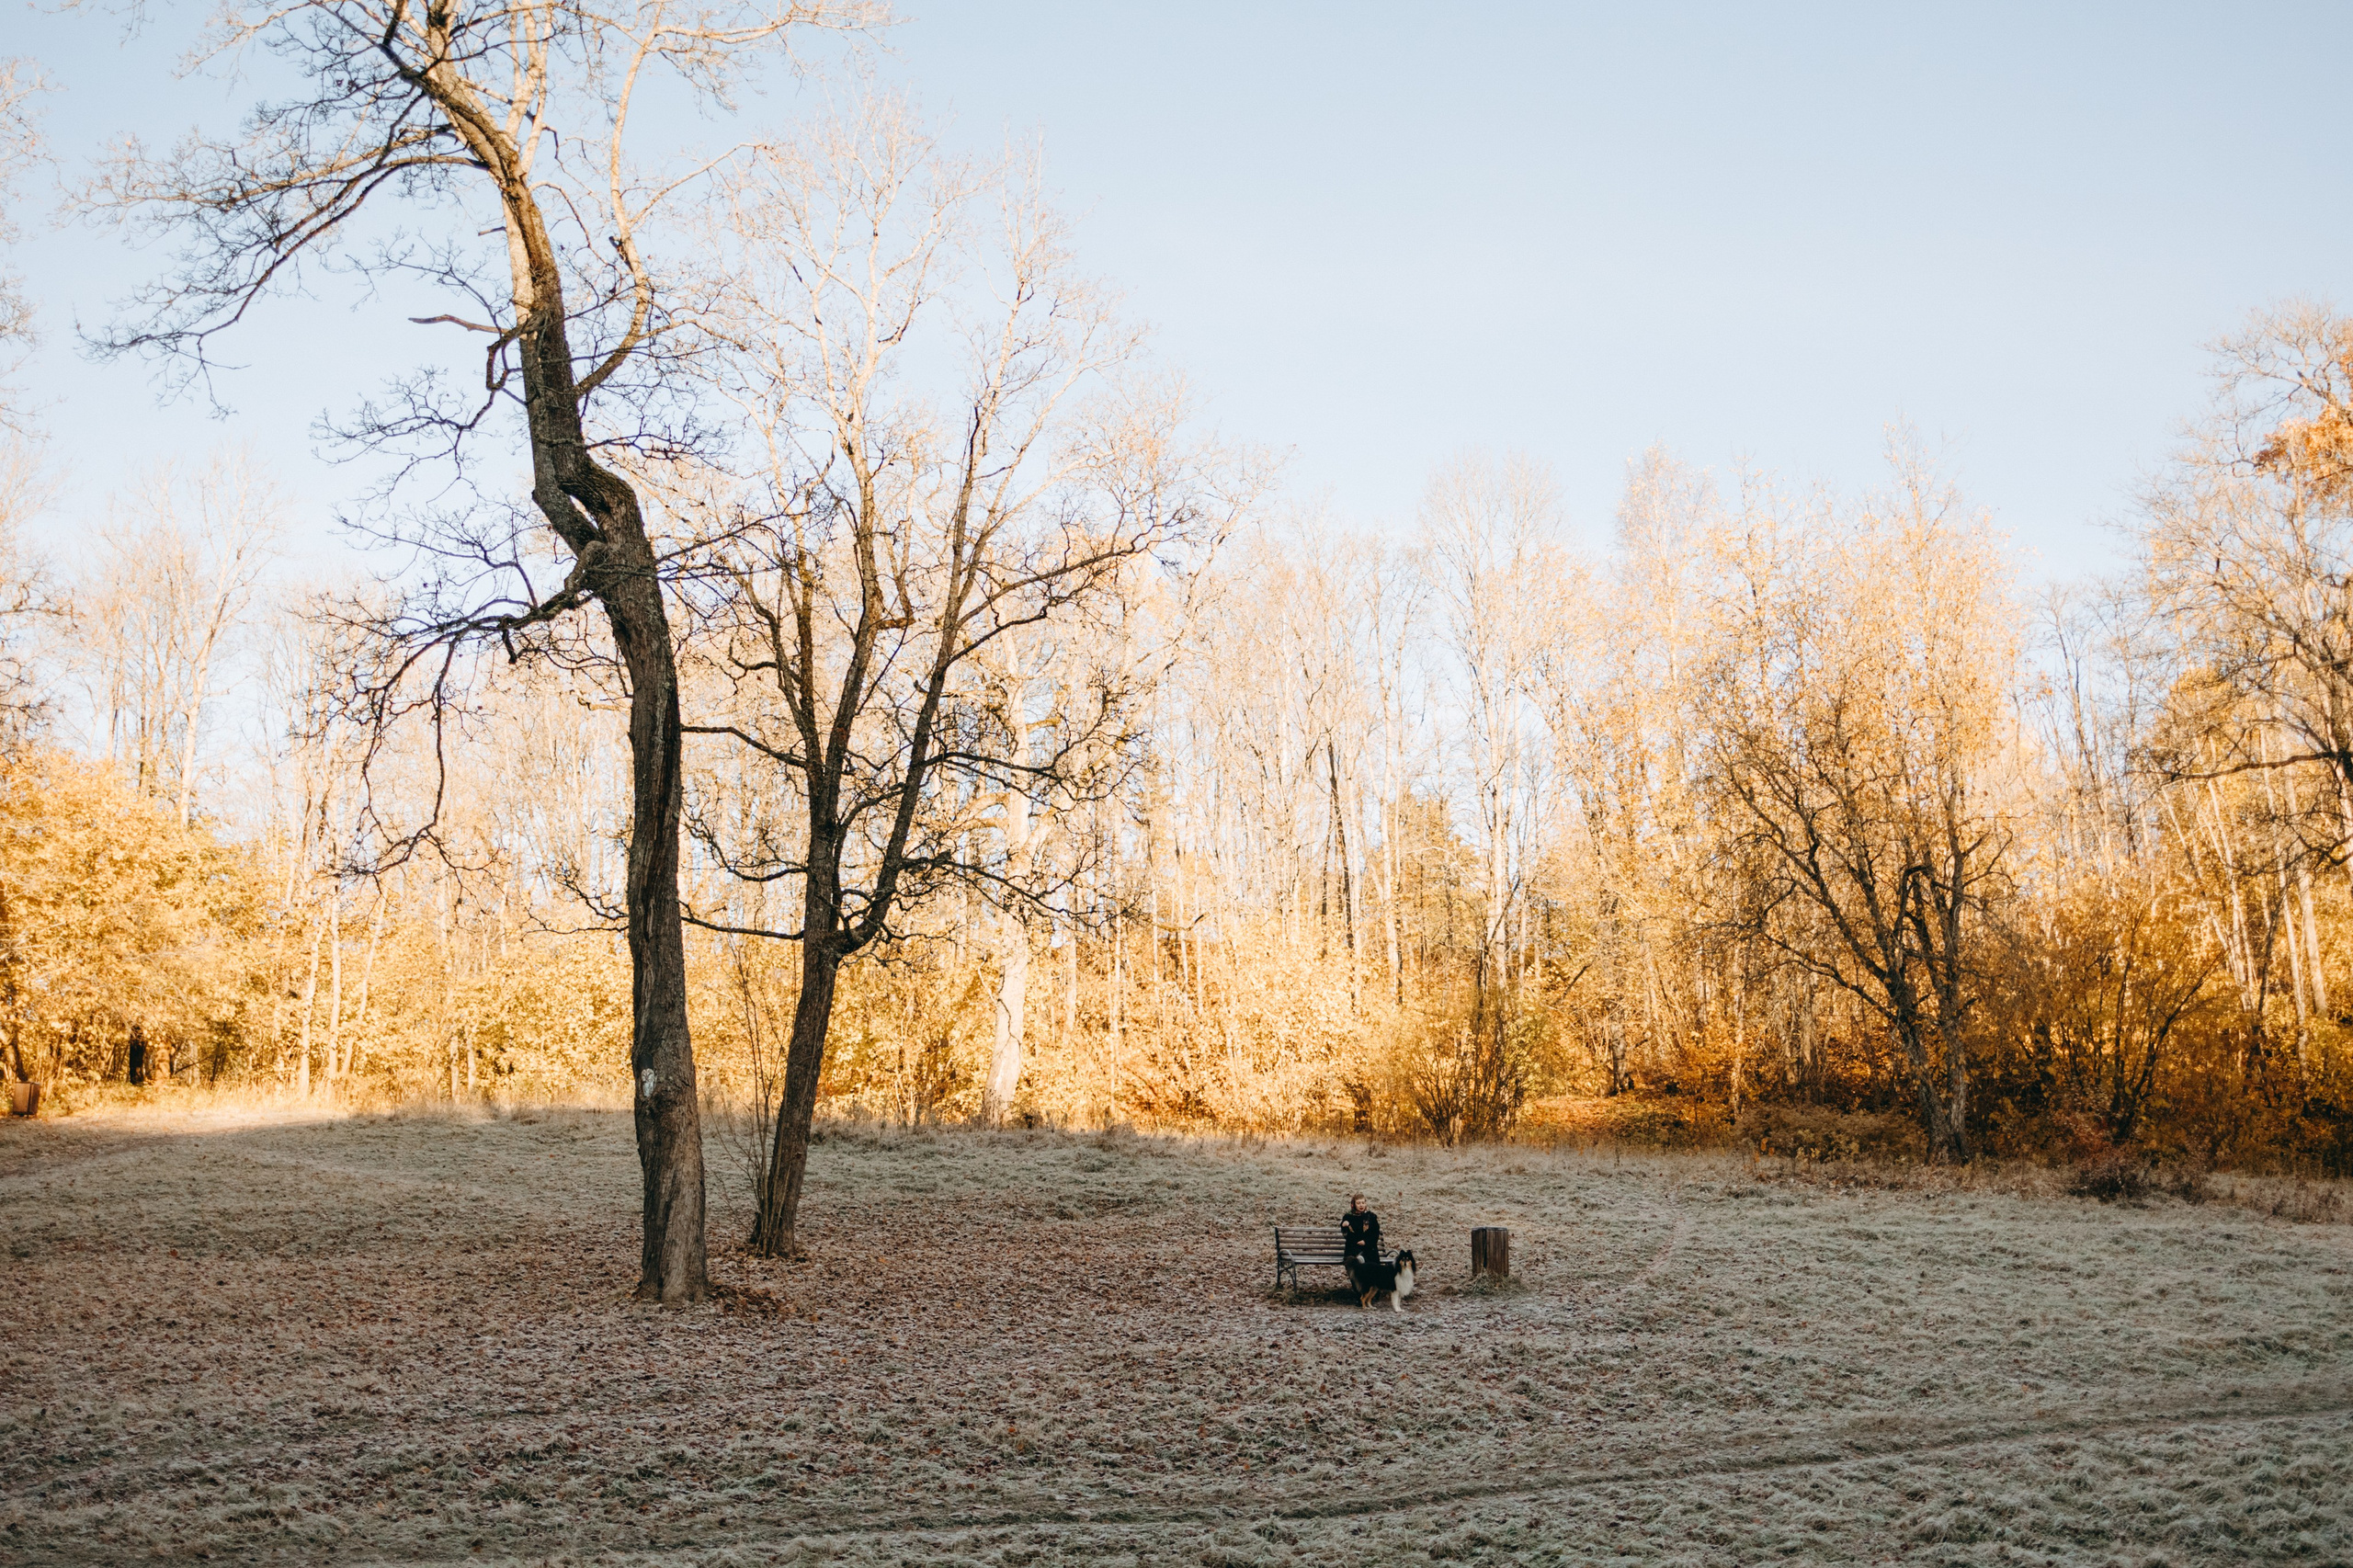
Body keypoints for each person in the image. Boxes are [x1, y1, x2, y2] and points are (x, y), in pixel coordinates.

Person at [1341, 1193, 1381, 1272]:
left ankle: (1362, 1261)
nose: (1361, 1205)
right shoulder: (1348, 1217)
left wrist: (1366, 1242)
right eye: (1358, 1203)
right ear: (1354, 1204)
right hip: (1353, 1247)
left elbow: (1375, 1233)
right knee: (1352, 1259)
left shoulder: (1371, 1217)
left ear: (1365, 1204)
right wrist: (1344, 1226)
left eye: (1363, 1203)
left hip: (1368, 1247)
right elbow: (1346, 1235)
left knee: (1369, 1257)